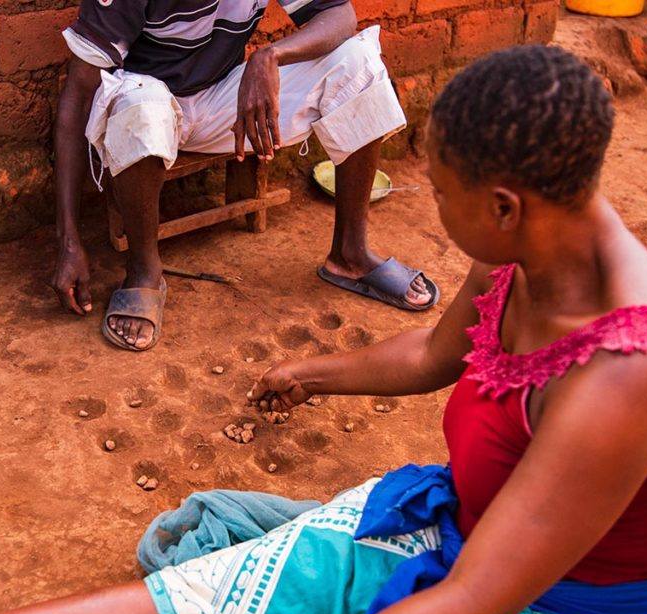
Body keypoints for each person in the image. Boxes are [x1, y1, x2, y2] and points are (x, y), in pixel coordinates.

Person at [0, 46, 647, 614]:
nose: (432, 212)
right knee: (211, 596)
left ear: (500, 204)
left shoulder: (631, 370)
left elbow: (464, 612)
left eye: (436, 194)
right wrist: (314, 371)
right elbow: (436, 353)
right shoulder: (527, 243)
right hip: (462, 533)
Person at [50, 0, 439, 351]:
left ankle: (350, 254)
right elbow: (78, 94)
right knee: (141, 106)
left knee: (358, 62)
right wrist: (68, 239)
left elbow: (340, 15)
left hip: (222, 97)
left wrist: (269, 56)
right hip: (145, 104)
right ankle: (144, 273)